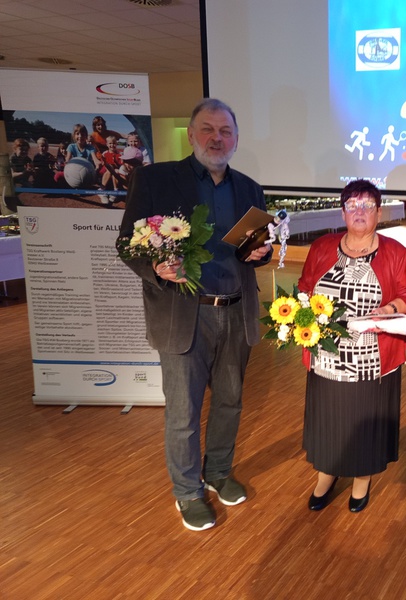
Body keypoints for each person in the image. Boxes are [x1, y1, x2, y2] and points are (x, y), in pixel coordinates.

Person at [117, 98, 273, 531]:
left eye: (225, 131)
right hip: (184, 314)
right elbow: (127, 244)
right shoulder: (155, 180)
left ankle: (218, 472)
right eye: (208, 129)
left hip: (236, 311)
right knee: (183, 412)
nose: (216, 138)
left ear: (236, 139)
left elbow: (253, 249)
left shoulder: (249, 188)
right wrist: (156, 268)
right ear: (191, 134)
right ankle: (187, 491)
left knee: (229, 402)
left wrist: (261, 253)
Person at [298, 179, 406, 513]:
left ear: (378, 212)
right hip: (327, 354)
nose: (359, 211)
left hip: (372, 356)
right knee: (329, 418)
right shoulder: (322, 246)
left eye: (367, 205)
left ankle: (362, 480)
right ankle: (326, 474)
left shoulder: (395, 252)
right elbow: (305, 286)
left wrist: (389, 309)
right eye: (352, 205)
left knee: (365, 420)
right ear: (343, 212)